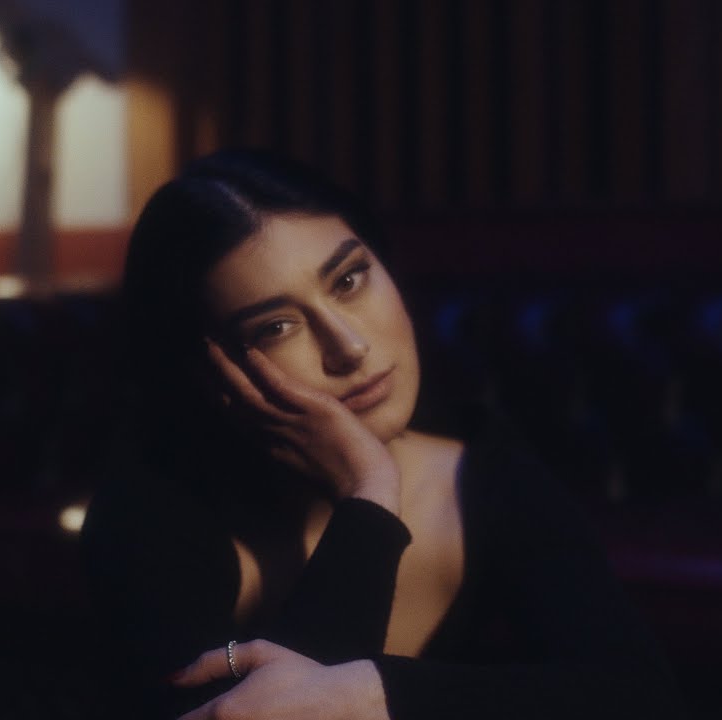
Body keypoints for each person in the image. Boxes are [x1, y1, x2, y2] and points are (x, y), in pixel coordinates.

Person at [80, 149, 684, 719]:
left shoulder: (478, 471)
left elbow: (643, 698)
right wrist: (368, 491)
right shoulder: (147, 507)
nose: (349, 347)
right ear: (210, 372)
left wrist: (380, 692)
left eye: (349, 280)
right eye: (277, 327)